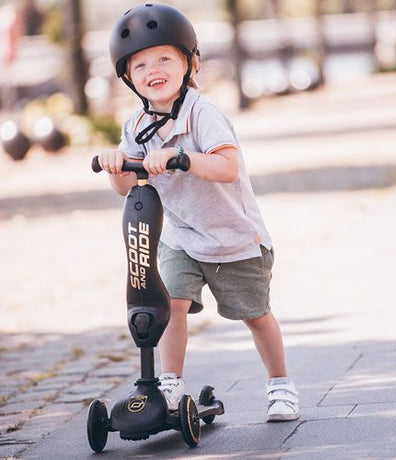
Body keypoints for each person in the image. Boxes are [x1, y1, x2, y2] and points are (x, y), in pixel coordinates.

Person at [98, 3, 299, 422]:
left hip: (234, 239)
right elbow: (125, 186)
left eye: (164, 59)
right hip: (182, 238)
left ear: (190, 63)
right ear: (128, 76)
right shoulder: (136, 125)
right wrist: (117, 165)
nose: (153, 70)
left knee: (256, 316)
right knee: (170, 305)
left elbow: (227, 168)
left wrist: (183, 158)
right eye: (140, 65)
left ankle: (280, 384)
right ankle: (170, 382)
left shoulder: (202, 113)